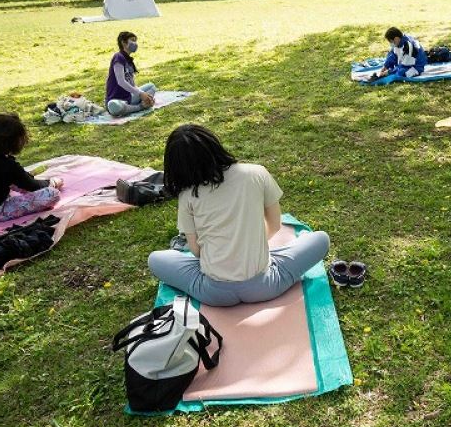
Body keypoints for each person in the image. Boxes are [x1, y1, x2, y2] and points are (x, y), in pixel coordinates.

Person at [147, 125, 331, 307]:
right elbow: (275, 224)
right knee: (321, 239)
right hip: (265, 285)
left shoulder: (187, 195)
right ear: (214, 146)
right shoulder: (256, 173)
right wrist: (248, 245)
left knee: (155, 259)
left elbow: (196, 251)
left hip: (214, 292)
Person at [105, 31, 157, 117]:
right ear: (124, 42)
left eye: (136, 41)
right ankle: (140, 107)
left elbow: (132, 84)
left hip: (129, 97)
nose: (135, 43)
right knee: (114, 106)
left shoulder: (129, 61)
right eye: (132, 40)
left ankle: (138, 106)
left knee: (151, 87)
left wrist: (143, 94)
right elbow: (121, 81)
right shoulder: (118, 57)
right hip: (117, 100)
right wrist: (140, 94)